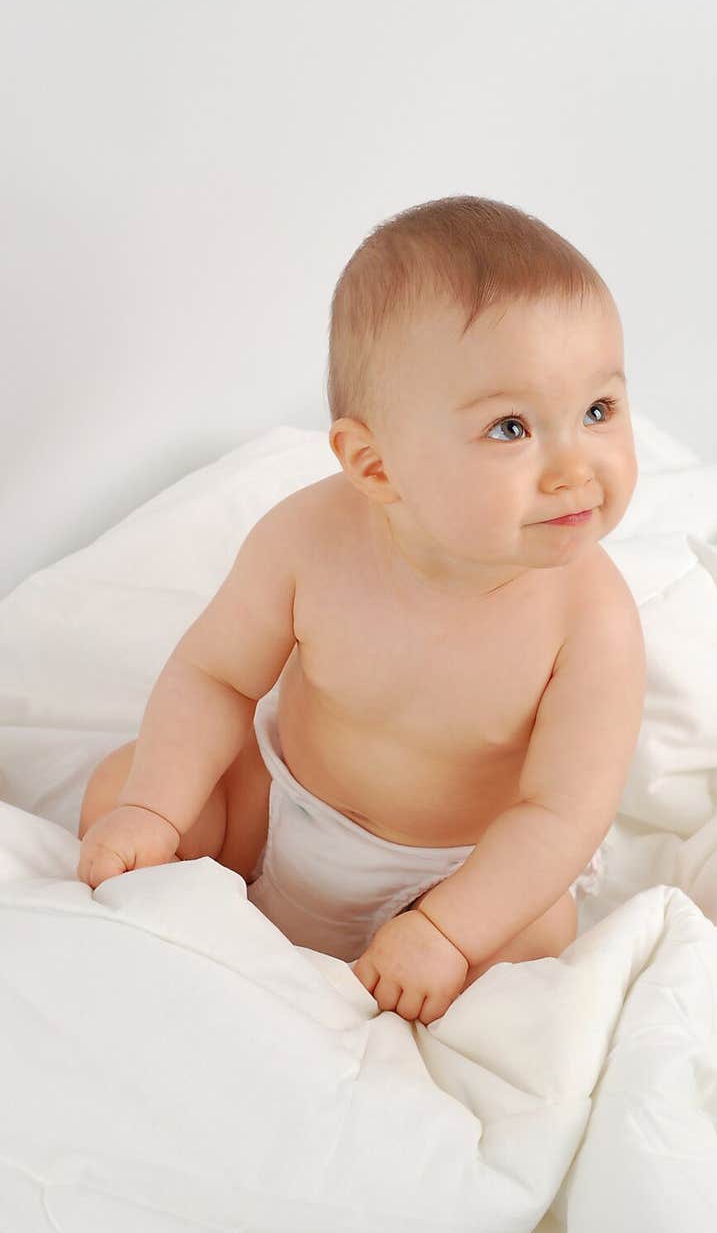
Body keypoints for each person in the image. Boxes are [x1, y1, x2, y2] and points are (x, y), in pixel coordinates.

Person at [76, 193, 646, 1026]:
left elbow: (561, 814)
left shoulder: (592, 622)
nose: (574, 468)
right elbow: (216, 676)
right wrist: (157, 807)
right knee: (121, 786)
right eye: (511, 427)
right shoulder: (308, 539)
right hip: (280, 804)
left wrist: (451, 932)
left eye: (598, 411)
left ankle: (422, 959)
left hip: (454, 872)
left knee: (537, 933)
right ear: (374, 465)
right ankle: (208, 882)